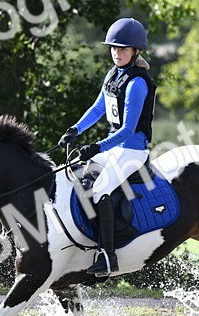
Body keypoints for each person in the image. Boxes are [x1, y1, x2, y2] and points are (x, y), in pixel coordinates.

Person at [58, 17, 157, 278]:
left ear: (136, 51)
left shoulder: (137, 83)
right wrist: (75, 129)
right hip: (115, 148)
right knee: (78, 179)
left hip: (133, 151)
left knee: (101, 189)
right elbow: (98, 108)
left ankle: (107, 255)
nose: (117, 52)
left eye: (123, 49)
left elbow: (127, 130)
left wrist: (96, 147)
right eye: (114, 48)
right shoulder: (114, 74)